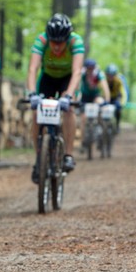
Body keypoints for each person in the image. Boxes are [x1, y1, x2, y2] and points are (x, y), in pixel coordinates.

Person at [26, 13, 84, 182]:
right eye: (54, 42)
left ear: (67, 39)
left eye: (60, 43)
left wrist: (69, 95)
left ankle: (68, 154)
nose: (57, 47)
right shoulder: (41, 41)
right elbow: (32, 69)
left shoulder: (75, 42)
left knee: (69, 109)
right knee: (36, 112)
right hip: (48, 79)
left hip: (67, 80)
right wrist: (31, 93)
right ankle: (39, 159)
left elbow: (77, 72)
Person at [77, 58, 110, 146]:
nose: (90, 70)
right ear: (86, 68)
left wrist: (107, 100)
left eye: (92, 68)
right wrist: (76, 97)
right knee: (83, 119)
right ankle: (82, 141)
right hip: (85, 96)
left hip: (95, 95)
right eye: (89, 68)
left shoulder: (99, 74)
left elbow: (105, 87)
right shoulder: (82, 73)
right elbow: (77, 85)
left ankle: (100, 128)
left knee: (100, 105)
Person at [105, 64, 127, 131]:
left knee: (118, 109)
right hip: (106, 98)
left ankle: (117, 124)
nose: (110, 77)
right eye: (109, 75)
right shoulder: (104, 81)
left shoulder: (119, 81)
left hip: (115, 98)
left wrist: (122, 103)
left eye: (112, 75)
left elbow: (123, 92)